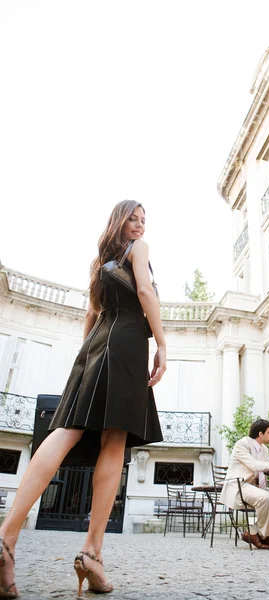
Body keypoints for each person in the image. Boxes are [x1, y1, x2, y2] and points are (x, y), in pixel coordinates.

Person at [0, 200, 167, 598]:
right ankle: (91, 552)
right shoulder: (139, 251)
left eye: (144, 220)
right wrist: (161, 343)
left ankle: (6, 540)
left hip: (93, 348)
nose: (140, 225)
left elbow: (91, 316)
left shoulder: (100, 264)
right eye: (134, 218)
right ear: (119, 221)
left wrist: (87, 362)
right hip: (125, 344)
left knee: (67, 430)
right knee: (113, 441)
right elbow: (144, 290)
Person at [220, 419, 269, 550]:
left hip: (256, 487)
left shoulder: (264, 449)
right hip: (240, 486)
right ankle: (266, 536)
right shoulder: (241, 444)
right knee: (264, 497)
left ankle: (254, 532)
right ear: (260, 434)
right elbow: (254, 465)